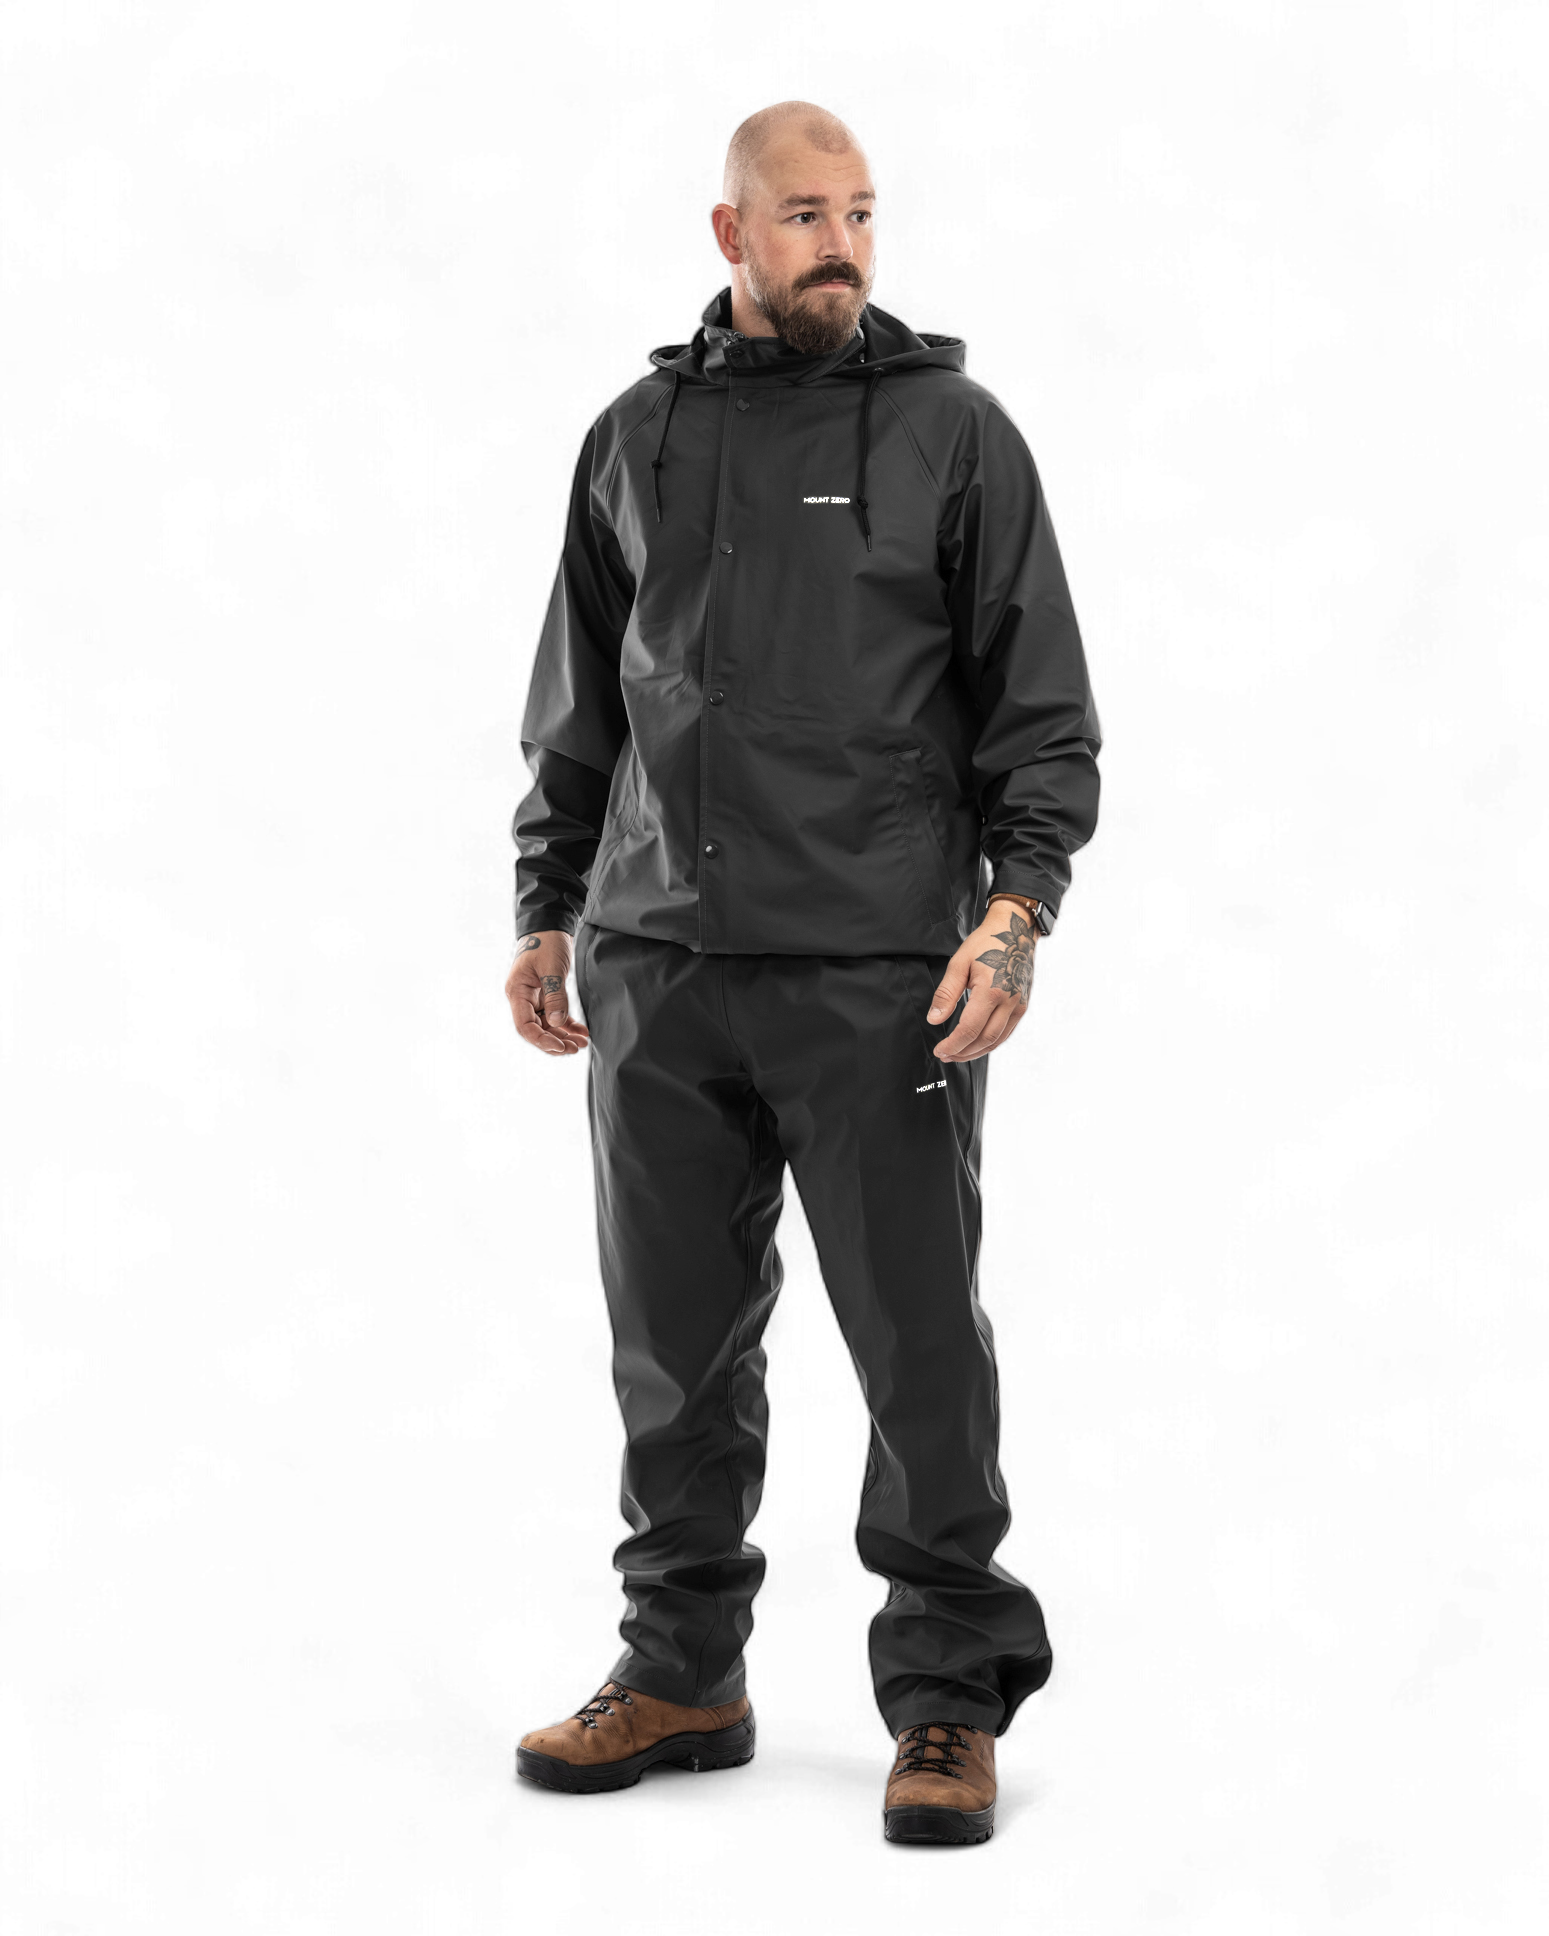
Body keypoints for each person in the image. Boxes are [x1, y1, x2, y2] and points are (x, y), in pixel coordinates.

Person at [506, 100, 1101, 1845]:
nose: (841, 246)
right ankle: (681, 1673)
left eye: (861, 213)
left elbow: (1045, 717)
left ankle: (947, 1699)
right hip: (658, 966)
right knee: (670, 1357)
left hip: (878, 968)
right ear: (731, 237)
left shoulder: (956, 431)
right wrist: (549, 906)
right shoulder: (638, 432)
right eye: (804, 217)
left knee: (919, 1352)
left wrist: (1017, 912)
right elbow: (583, 700)